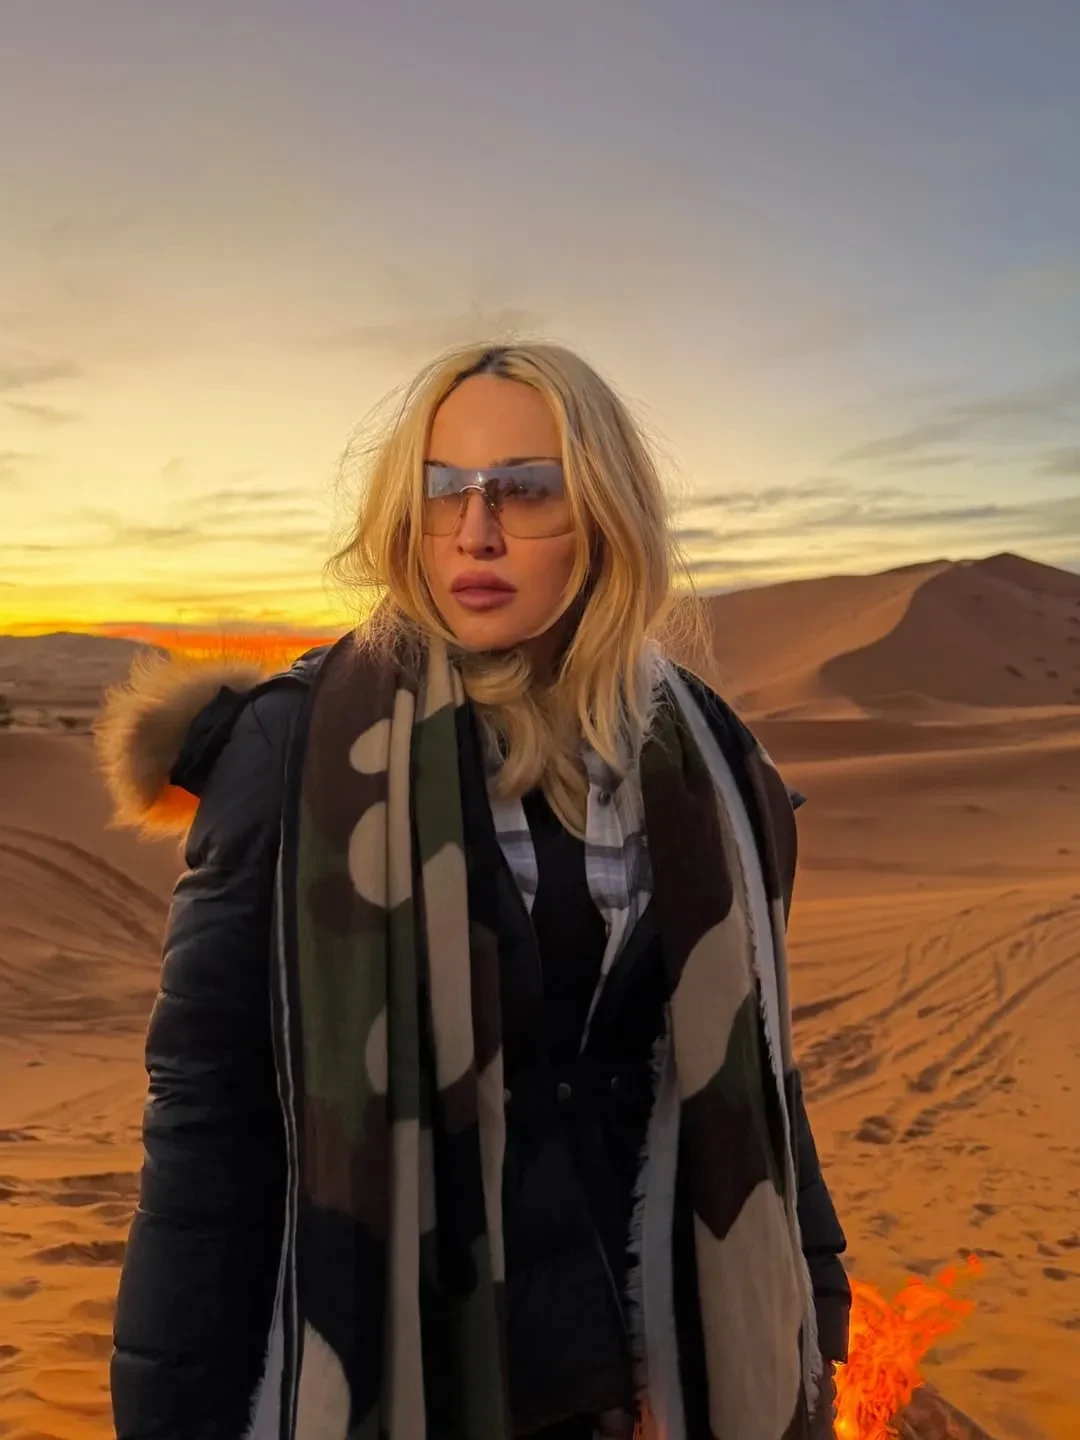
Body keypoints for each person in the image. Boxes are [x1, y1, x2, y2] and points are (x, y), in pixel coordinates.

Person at [96, 342, 850, 1440]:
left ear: (604, 514)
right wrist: (170, 1413)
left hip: (671, 1380)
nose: (475, 531)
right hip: (410, 1379)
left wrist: (814, 1303)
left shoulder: (710, 763)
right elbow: (210, 1116)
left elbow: (761, 1071)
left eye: (527, 489)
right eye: (443, 490)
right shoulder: (293, 751)